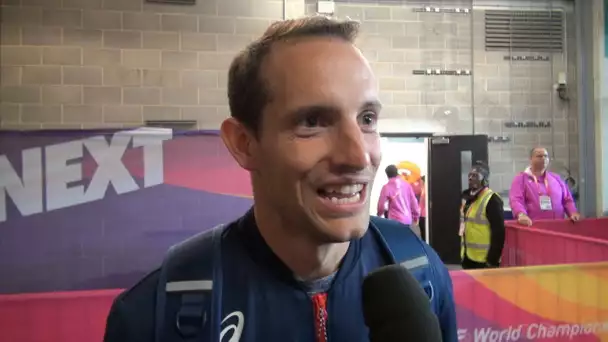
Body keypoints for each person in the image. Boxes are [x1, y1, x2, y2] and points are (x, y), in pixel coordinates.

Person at [103, 16, 457, 342]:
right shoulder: (155, 315)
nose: (359, 156)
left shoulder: (421, 275)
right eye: (313, 122)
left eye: (366, 118)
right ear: (244, 144)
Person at [509, 147, 580, 226]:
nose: (543, 158)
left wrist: (573, 212)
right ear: (531, 159)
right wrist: (521, 214)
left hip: (558, 226)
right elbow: (516, 200)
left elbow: (567, 199)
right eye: (539, 156)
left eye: (546, 156)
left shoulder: (556, 178)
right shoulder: (521, 179)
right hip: (533, 227)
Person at [460, 162, 505, 269]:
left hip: (484, 261)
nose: (470, 178)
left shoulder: (492, 200)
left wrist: (492, 261)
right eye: (469, 175)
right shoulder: (470, 199)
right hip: (468, 256)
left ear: (484, 179)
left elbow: (499, 233)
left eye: (475, 175)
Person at [419, 175, 427, 242]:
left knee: (424, 232)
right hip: (421, 214)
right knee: (422, 231)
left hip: (424, 214)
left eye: (421, 181)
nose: (420, 183)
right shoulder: (423, 189)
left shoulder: (426, 190)